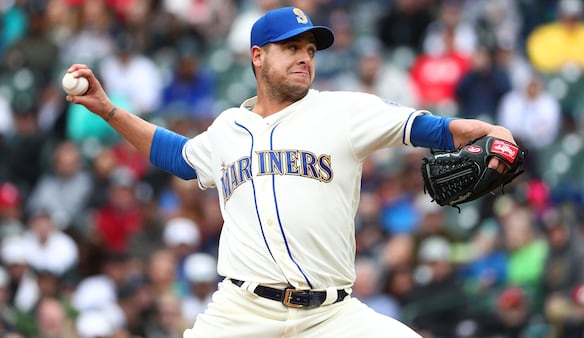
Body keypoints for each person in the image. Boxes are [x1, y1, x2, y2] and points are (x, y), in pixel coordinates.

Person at [65, 6, 519, 338]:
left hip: (332, 315)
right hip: (243, 311)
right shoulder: (228, 128)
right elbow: (177, 156)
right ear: (258, 56)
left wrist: (492, 130)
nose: (304, 57)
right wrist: (108, 111)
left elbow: (433, 128)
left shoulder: (344, 110)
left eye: (309, 49)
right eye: (291, 48)